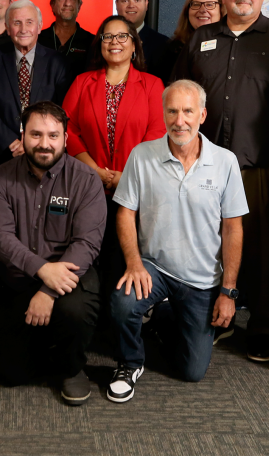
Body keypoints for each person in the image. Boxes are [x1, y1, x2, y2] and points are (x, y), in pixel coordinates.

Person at [172, 0, 269, 362]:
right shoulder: (202, 38)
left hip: (260, 167)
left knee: (264, 253)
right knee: (207, 247)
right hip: (204, 166)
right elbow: (180, 94)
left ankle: (262, 328)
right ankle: (216, 321)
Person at [108, 79, 247, 401]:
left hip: (201, 280)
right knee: (122, 301)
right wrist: (133, 263)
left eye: (187, 112)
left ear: (202, 115)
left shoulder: (225, 162)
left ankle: (165, 317)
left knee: (192, 372)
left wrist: (228, 291)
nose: (179, 120)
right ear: (163, 114)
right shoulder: (142, 155)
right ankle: (130, 362)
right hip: (153, 266)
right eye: (172, 111)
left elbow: (233, 229)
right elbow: (125, 213)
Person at [0, 101, 105, 405]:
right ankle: (42, 346)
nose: (44, 144)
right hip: (18, 279)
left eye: (53, 135)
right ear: (23, 136)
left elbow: (87, 243)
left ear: (65, 138)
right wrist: (41, 269)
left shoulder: (86, 179)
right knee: (9, 374)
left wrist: (48, 290)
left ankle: (72, 367)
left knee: (74, 311)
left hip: (69, 279)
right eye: (36, 135)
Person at [61, 15, 165, 308]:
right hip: (87, 186)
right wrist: (93, 169)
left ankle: (120, 324)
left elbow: (157, 135)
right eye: (108, 37)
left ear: (135, 45)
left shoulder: (153, 85)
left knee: (125, 259)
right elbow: (66, 128)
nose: (115, 42)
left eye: (122, 36)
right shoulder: (83, 83)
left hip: (136, 190)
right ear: (100, 44)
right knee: (90, 257)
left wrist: (126, 176)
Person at [0, 0, 68, 172]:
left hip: (45, 152)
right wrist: (9, 142)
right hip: (0, 154)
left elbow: (63, 109)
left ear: (40, 26)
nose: (23, 29)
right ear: (7, 27)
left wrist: (33, 141)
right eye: (16, 23)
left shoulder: (58, 62)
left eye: (29, 22)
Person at [152, 0, 224, 84]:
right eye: (196, 4)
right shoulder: (171, 50)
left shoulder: (231, 48)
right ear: (187, 11)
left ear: (221, 10)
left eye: (210, 4)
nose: (202, 10)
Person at [38, 0, 94, 85]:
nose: (67, 4)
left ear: (79, 6)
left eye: (73, 0)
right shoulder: (37, 39)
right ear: (52, 5)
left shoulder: (93, 42)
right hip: (43, 100)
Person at [115, 0, 168, 68]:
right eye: (125, 1)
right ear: (116, 4)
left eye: (137, 0)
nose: (131, 6)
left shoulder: (163, 45)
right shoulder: (102, 42)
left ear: (146, 5)